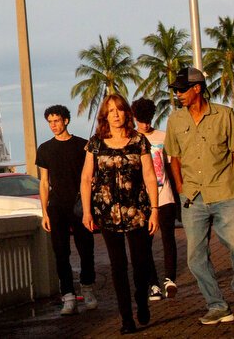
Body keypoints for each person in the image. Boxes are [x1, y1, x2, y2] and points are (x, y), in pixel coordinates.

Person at [163, 67, 234, 325]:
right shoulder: (175, 120)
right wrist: (181, 187)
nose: (178, 94)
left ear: (197, 88)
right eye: (176, 90)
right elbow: (174, 157)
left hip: (225, 192)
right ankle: (217, 305)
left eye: (182, 89)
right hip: (192, 197)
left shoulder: (224, 115)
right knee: (195, 257)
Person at [81, 95, 160, 334]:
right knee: (118, 266)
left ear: (127, 113)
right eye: (110, 111)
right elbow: (86, 178)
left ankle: (141, 300)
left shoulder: (138, 141)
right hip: (106, 213)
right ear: (105, 115)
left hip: (137, 210)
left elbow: (149, 176)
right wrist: (87, 211)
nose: (115, 114)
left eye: (119, 110)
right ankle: (127, 318)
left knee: (140, 262)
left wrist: (155, 210)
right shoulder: (95, 143)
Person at [37, 104, 97, 315]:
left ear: (66, 121)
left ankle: (88, 288)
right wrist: (44, 211)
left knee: (86, 250)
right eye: (50, 122)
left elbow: (91, 177)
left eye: (56, 121)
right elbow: (44, 182)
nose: (53, 125)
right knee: (61, 253)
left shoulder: (83, 145)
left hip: (80, 206)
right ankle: (68, 296)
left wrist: (89, 208)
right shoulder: (44, 149)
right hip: (56, 208)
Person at [132, 97, 180, 301]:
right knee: (144, 243)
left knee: (168, 237)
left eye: (149, 118)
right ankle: (153, 284)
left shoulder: (163, 136)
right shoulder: (130, 140)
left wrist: (179, 192)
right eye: (142, 119)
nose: (146, 123)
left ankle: (170, 279)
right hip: (141, 200)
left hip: (165, 195)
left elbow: (172, 166)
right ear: (134, 118)